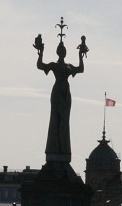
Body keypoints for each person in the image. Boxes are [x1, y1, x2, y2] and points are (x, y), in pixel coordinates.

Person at [36, 29, 86, 164]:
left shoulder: (68, 66)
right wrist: (40, 52)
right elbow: (40, 65)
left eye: (64, 50)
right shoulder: (54, 65)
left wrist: (80, 54)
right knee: (56, 120)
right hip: (57, 91)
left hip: (66, 93)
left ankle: (63, 148)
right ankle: (55, 148)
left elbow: (81, 69)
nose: (62, 52)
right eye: (61, 50)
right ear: (58, 52)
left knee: (65, 120)